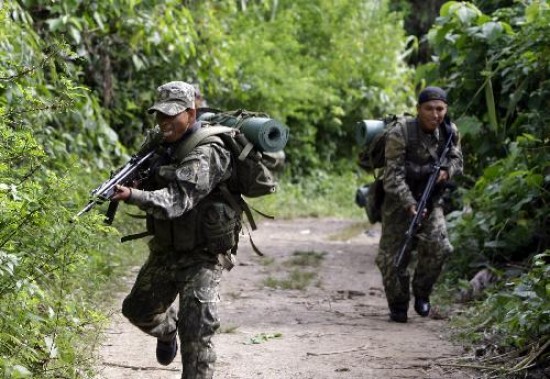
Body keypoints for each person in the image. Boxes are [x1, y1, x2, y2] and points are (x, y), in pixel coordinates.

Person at [111, 80, 242, 378]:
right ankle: (169, 332)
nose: (165, 122)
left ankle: (185, 336)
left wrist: (135, 196)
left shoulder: (209, 150)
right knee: (137, 310)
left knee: (197, 341)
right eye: (160, 115)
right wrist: (135, 182)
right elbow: (138, 171)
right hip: (166, 250)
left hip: (202, 257)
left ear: (191, 114)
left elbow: (177, 200)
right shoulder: (159, 144)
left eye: (173, 115)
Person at [375, 86, 463, 323]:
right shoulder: (401, 132)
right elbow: (392, 175)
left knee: (440, 247)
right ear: (418, 109)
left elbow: (457, 159)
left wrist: (447, 171)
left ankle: (422, 292)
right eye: (429, 109)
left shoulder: (449, 131)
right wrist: (409, 203)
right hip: (398, 201)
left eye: (440, 109)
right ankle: (398, 302)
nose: (435, 115)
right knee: (392, 257)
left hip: (431, 199)